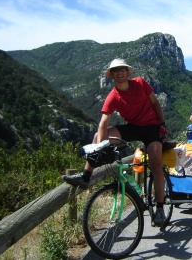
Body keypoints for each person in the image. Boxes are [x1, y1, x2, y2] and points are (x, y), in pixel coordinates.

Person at [62, 58, 169, 227]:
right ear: (111, 75)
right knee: (98, 135)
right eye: (116, 71)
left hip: (151, 127)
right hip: (132, 127)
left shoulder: (140, 83)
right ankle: (85, 176)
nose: (119, 73)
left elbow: (156, 103)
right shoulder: (113, 96)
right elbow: (103, 122)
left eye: (122, 70)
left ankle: (161, 210)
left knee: (156, 165)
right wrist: (102, 145)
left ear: (127, 72)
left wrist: (162, 125)